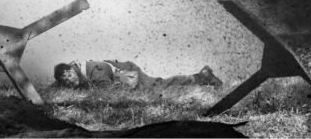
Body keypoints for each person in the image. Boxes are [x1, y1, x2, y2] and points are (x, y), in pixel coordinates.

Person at [53, 59, 223, 90]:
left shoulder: (94, 72)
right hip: (122, 76)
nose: (69, 83)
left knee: (158, 86)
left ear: (70, 71)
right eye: (65, 83)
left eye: (68, 79)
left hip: (129, 74)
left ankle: (203, 76)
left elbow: (106, 92)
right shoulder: (74, 70)